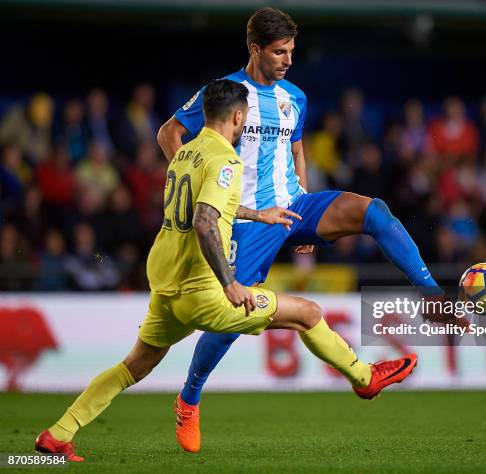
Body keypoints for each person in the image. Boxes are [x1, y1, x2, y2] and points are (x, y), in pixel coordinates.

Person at [35, 79, 418, 462]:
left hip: (167, 285)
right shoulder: (228, 161)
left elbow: (210, 205)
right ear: (238, 116)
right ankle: (365, 379)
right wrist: (230, 282)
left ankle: (58, 434)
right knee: (309, 314)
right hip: (204, 292)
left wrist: (260, 214)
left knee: (133, 366)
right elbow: (205, 221)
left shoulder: (185, 154)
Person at [157, 7, 441, 453]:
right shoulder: (227, 93)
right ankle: (189, 399)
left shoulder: (296, 97)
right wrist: (193, 184)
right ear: (255, 49)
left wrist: (304, 209)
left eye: (291, 51)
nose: (288, 59)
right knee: (236, 315)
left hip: (292, 206)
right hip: (247, 218)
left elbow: (296, 149)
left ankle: (432, 296)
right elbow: (168, 133)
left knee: (375, 211)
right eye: (279, 51)